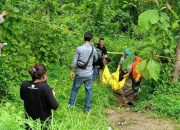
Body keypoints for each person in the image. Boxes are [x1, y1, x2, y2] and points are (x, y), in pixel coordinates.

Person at [20, 64, 58, 130]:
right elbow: (55, 106)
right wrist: (53, 95)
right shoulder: (45, 87)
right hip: (43, 123)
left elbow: (22, 97)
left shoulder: (24, 84)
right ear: (44, 76)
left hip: (29, 121)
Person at [69, 32, 98, 113]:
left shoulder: (79, 49)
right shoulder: (93, 49)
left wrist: (71, 71)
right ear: (91, 39)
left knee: (75, 89)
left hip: (80, 73)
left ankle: (70, 106)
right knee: (88, 91)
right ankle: (87, 109)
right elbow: (95, 60)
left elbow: (74, 63)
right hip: (89, 74)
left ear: (83, 38)